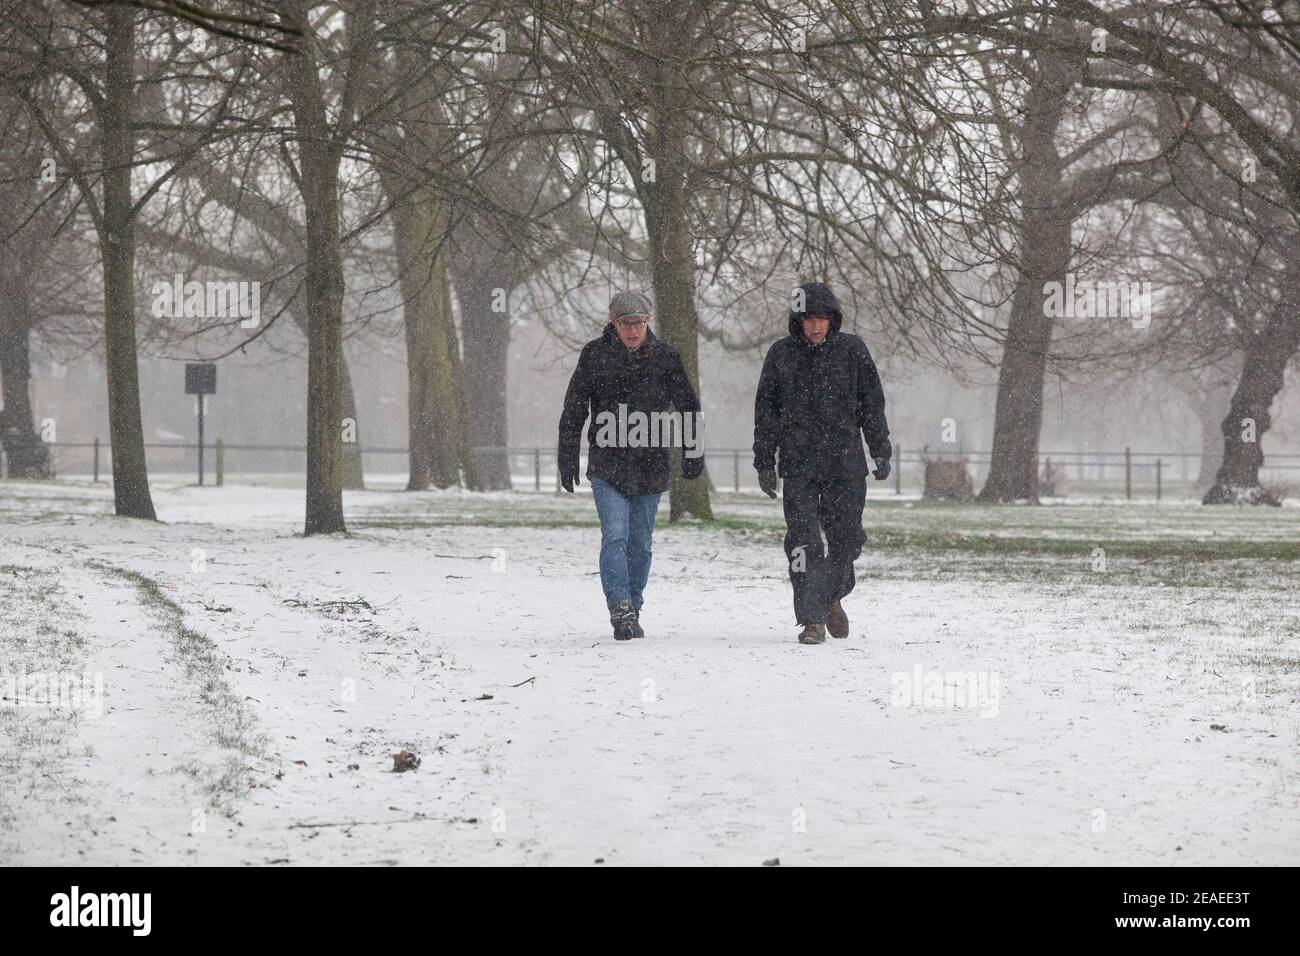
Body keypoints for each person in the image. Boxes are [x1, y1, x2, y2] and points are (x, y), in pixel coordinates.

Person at [558, 291, 704, 641]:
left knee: (641, 543)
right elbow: (575, 407)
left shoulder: (666, 358)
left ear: (648, 320)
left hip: (650, 465)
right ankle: (619, 604)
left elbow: (688, 406)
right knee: (616, 534)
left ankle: (633, 603)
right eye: (625, 323)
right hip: (607, 464)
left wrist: (693, 452)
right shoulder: (594, 355)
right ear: (613, 322)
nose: (632, 331)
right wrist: (567, 456)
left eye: (638, 323)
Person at [753, 281, 891, 645]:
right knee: (804, 542)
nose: (815, 326)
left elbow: (871, 405)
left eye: (822, 319)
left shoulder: (853, 352)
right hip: (798, 465)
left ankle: (832, 595)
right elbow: (766, 413)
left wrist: (880, 449)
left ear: (833, 319)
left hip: (845, 465)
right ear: (797, 321)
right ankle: (812, 618)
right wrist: (764, 460)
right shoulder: (781, 355)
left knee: (847, 540)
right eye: (808, 319)